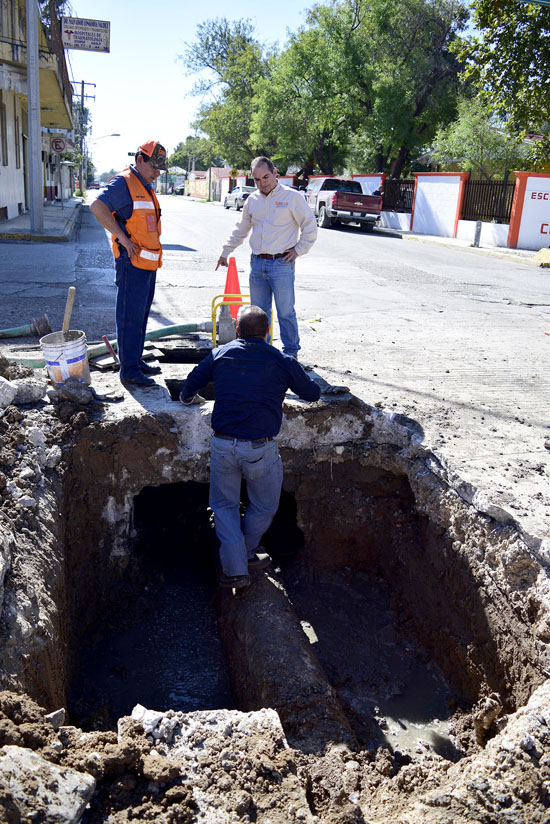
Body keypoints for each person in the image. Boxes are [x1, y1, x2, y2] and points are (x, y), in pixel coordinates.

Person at [179, 305, 321, 589]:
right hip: (259, 449)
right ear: (267, 334)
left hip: (222, 445)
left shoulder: (221, 353)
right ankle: (244, 554)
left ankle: (235, 567)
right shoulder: (280, 359)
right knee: (265, 505)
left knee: (223, 505)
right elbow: (312, 394)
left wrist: (189, 398)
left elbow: (188, 388)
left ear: (238, 332)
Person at [216, 157, 318, 361]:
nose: (262, 183)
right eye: (257, 179)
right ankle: (263, 354)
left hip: (282, 264)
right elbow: (241, 228)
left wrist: (299, 249)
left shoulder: (292, 197)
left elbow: (310, 225)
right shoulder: (252, 200)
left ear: (275, 173)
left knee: (286, 312)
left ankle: (290, 353)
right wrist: (226, 251)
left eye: (266, 177)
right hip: (258, 264)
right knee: (258, 315)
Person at [90, 140, 167, 387]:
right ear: (139, 159)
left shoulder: (146, 186)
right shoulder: (124, 183)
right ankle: (129, 372)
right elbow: (97, 206)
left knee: (141, 316)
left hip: (147, 264)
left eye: (160, 168)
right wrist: (121, 238)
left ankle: (134, 361)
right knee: (129, 317)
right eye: (154, 166)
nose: (157, 172)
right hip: (131, 263)